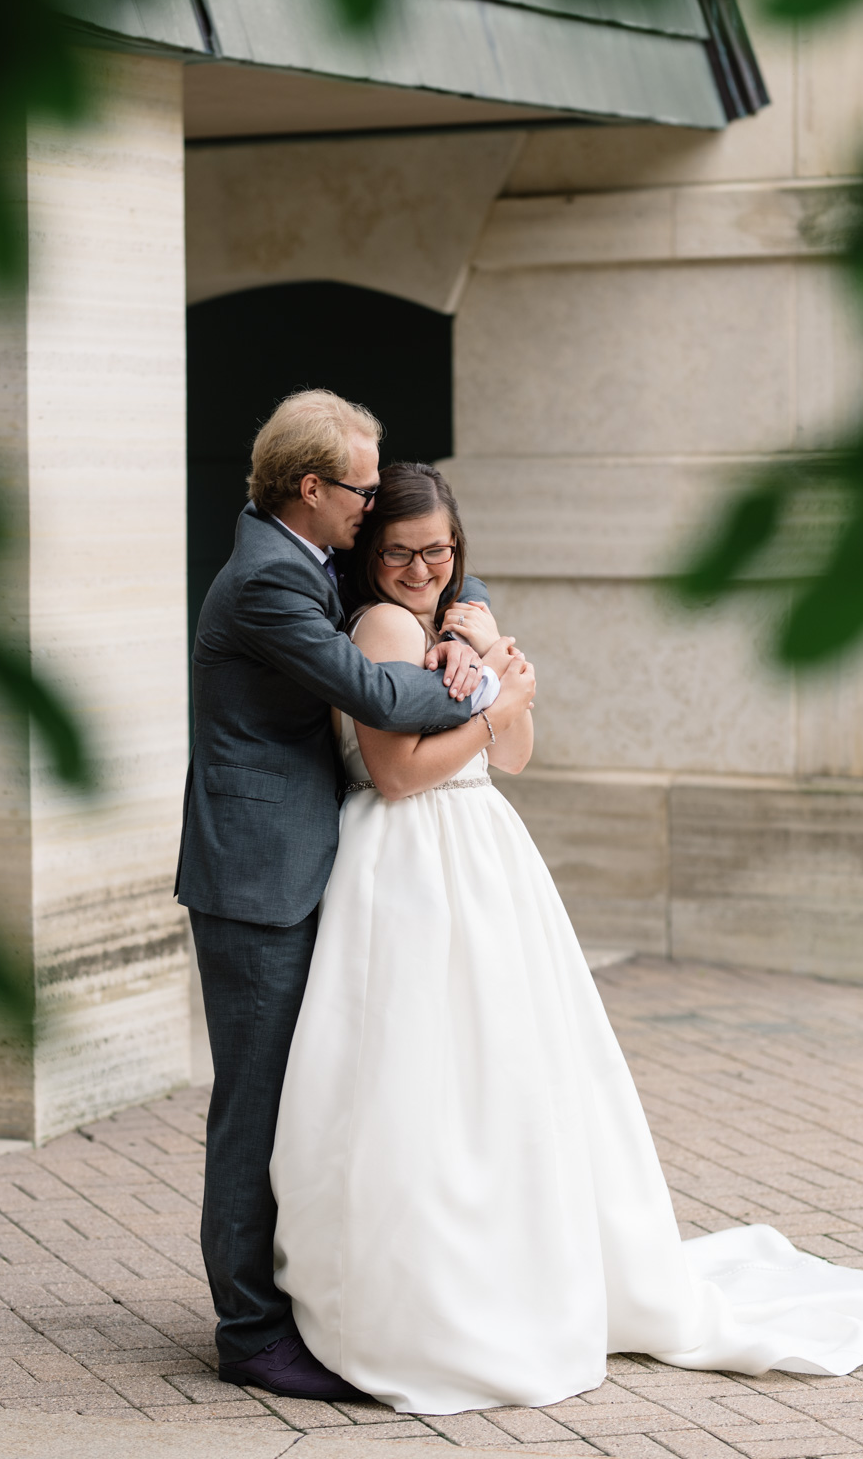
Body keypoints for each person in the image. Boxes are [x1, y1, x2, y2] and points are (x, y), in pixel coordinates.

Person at [270, 462, 863, 1417]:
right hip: (411, 861)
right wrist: (496, 706)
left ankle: (516, 1262)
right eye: (402, 552)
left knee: (508, 1067)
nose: (425, 568)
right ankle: (431, 1287)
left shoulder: (455, 618)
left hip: (482, 849)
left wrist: (498, 689)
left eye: (440, 549)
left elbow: (516, 756)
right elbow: (395, 775)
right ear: (371, 553)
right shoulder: (382, 628)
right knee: (428, 1068)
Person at [175, 391, 535, 1402]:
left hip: (311, 860)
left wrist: (471, 626)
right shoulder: (265, 581)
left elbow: (432, 569)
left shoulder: (308, 556)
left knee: (311, 1097)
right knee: (253, 1111)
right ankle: (248, 1330)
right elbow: (376, 694)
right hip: (257, 877)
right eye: (362, 492)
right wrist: (485, 687)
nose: (372, 510)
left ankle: (305, 1295)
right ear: (311, 488)